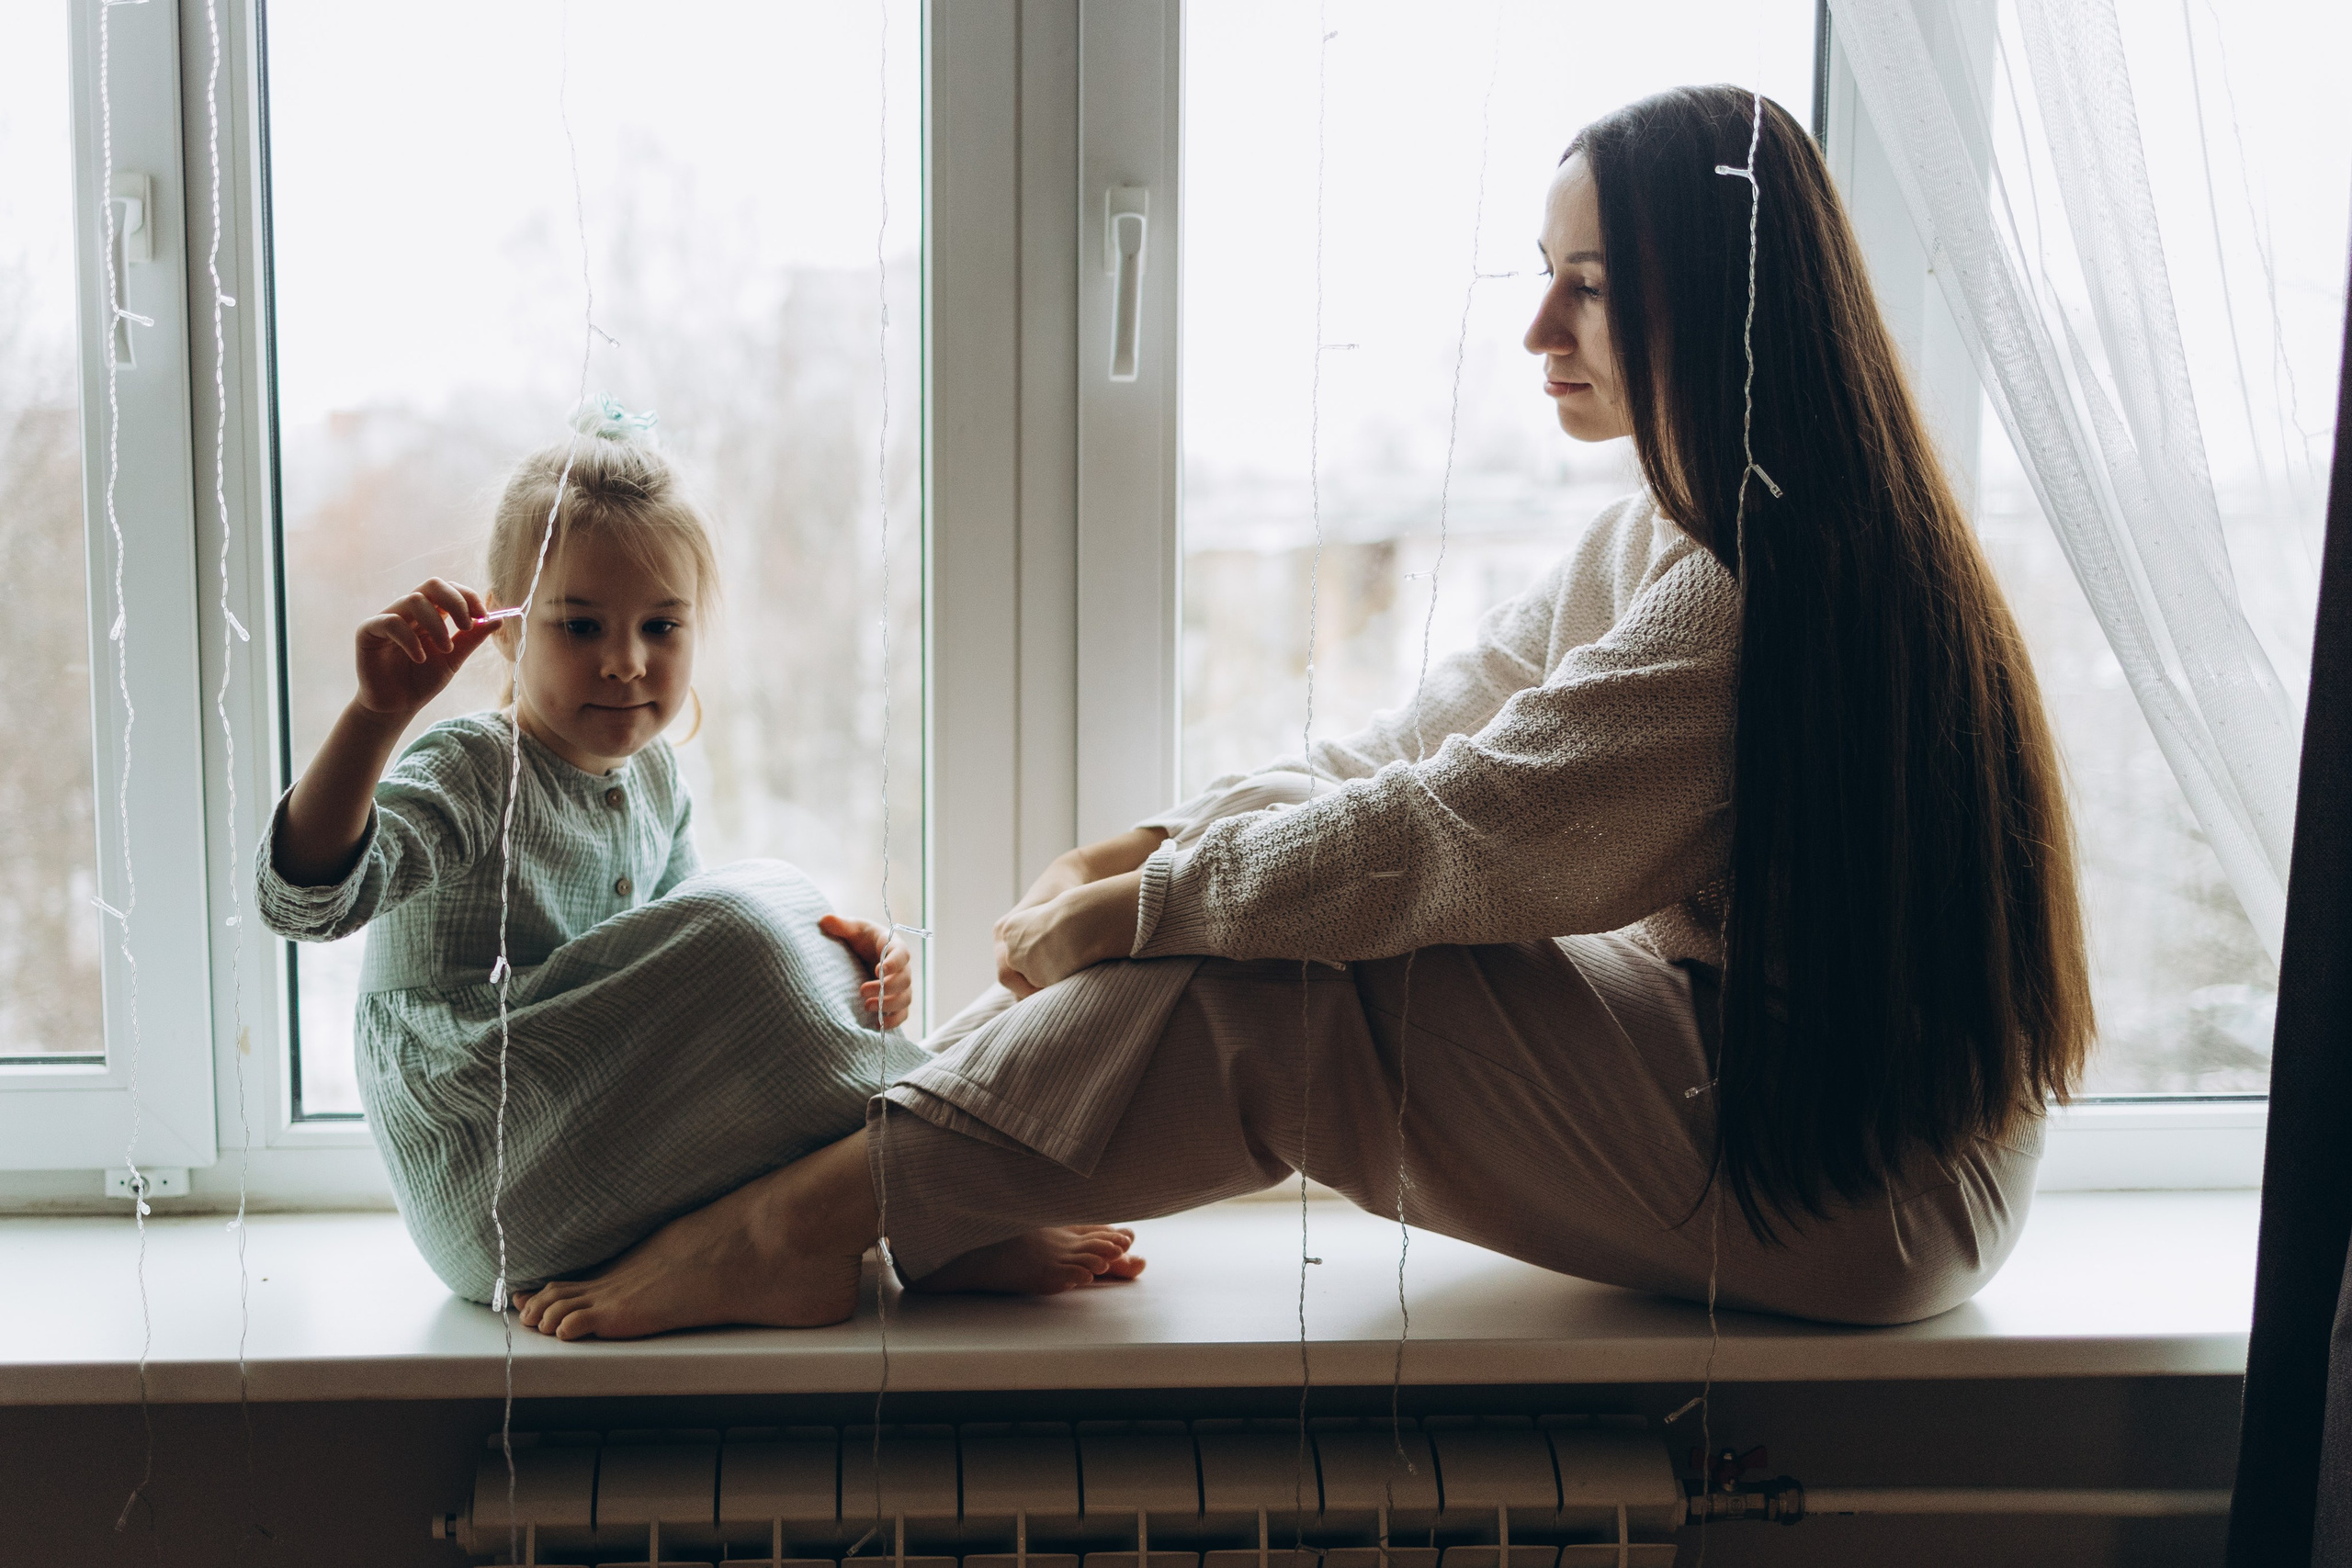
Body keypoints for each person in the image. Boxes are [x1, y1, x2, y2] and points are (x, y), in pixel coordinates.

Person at [512, 85, 2092, 1343]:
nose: (1541, 331)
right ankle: (910, 1191)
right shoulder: (1677, 530)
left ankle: (796, 1223)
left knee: (1293, 989)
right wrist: (1161, 844)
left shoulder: (1759, 583)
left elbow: (1460, 835)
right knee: (1275, 925)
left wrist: (1157, 906)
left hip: (1866, 1184)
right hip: (1774, 1083)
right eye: (1544, 281)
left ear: (1725, 303)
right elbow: (1425, 743)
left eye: (1591, 288)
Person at [256, 405, 1143, 1305]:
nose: (626, 663)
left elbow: (692, 1002)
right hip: (492, 1178)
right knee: (760, 912)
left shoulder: (652, 782)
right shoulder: (475, 767)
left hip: (599, 1159)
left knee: (790, 924)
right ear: (510, 630)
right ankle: (962, 1197)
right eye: (580, 627)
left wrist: (848, 972)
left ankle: (825, 1229)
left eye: (661, 628)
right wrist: (375, 718)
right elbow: (305, 904)